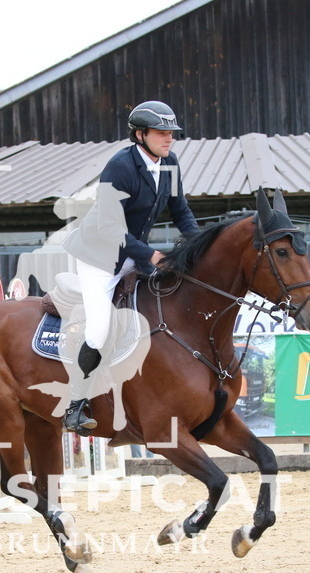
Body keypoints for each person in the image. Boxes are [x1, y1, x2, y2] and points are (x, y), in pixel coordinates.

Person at [62, 100, 200, 433]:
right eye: (161, 133)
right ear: (140, 135)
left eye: (171, 134)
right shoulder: (119, 167)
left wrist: (199, 247)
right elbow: (110, 227)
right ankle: (75, 405)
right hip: (99, 258)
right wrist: (152, 255)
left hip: (132, 254)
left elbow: (180, 211)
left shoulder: (170, 163)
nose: (169, 139)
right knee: (99, 329)